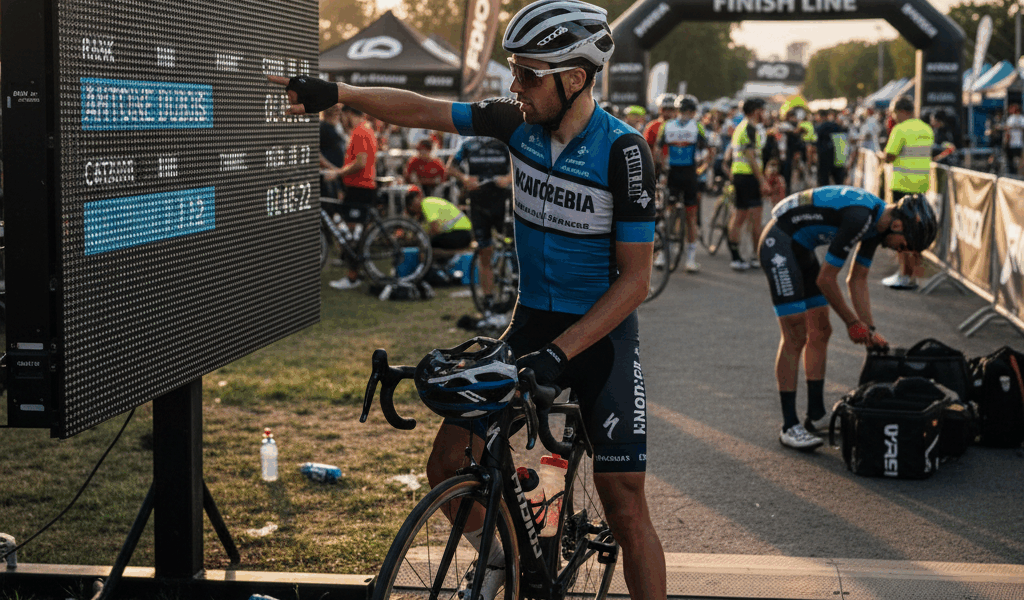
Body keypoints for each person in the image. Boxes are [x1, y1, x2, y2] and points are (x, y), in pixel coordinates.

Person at [269, 1, 667, 598]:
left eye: (529, 75)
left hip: (599, 335)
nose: (516, 86)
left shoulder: (623, 151)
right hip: (531, 320)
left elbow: (635, 282)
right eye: (514, 69)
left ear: (576, 77)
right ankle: (507, 560)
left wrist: (562, 355)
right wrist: (339, 91)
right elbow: (423, 110)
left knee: (625, 504)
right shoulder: (515, 124)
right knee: (449, 459)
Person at [758, 187, 938, 450]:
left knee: (821, 329)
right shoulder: (860, 217)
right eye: (906, 244)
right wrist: (854, 324)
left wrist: (869, 331)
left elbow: (857, 279)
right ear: (898, 224)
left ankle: (816, 415)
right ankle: (789, 426)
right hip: (780, 244)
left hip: (801, 247)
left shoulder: (879, 223)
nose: (902, 251)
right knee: (795, 334)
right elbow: (826, 280)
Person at [446, 135, 514, 315]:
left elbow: (522, 166)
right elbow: (450, 167)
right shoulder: (468, 143)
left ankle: (518, 292)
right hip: (478, 204)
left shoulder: (504, 141)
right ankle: (489, 299)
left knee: (516, 249)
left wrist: (508, 178)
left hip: (504, 203)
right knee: (485, 251)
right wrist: (464, 178)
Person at [878, 96, 934, 291]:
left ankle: (904, 275)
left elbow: (890, 156)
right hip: (921, 187)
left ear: (901, 111)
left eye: (894, 113)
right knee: (917, 233)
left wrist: (883, 155)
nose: (894, 117)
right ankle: (917, 275)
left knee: (901, 232)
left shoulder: (900, 130)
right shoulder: (926, 129)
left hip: (902, 186)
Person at [655, 94, 709, 272]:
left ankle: (664, 255)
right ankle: (690, 259)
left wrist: (663, 168)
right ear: (692, 111)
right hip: (690, 174)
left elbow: (657, 149)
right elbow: (708, 149)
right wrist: (703, 167)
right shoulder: (697, 125)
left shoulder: (667, 125)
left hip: (673, 174)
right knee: (690, 217)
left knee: (668, 213)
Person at [329, 104, 379, 290]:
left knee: (352, 236)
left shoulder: (360, 132)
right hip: (358, 187)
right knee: (354, 235)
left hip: (360, 188)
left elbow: (361, 162)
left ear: (349, 113)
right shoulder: (365, 130)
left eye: (342, 115)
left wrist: (339, 173)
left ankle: (352, 278)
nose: (341, 119)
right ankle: (356, 272)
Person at [727, 98, 768, 270]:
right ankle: (756, 257)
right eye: (762, 110)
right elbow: (751, 156)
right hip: (749, 176)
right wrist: (762, 181)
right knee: (754, 218)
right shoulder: (750, 128)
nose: (764, 114)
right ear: (755, 111)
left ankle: (736, 257)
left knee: (739, 216)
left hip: (739, 174)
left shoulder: (741, 127)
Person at [405, 186, 473, 251]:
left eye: (411, 203)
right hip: (462, 233)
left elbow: (435, 229)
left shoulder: (426, 204)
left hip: (461, 233)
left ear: (419, 197)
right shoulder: (427, 204)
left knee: (428, 244)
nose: (411, 208)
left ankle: (445, 260)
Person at [319, 104, 347, 199]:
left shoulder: (337, 127)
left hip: (337, 174)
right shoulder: (322, 127)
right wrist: (333, 168)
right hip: (329, 175)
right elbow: (317, 153)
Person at [815, 109, 849, 186]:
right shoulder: (837, 126)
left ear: (821, 116)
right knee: (839, 183)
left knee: (824, 183)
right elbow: (843, 142)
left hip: (824, 159)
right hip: (838, 158)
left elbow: (816, 143)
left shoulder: (820, 128)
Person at [1004, 104, 1024, 175]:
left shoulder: (1013, 119)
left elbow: (1007, 132)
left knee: (1015, 161)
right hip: (1016, 144)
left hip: (1016, 144)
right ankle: (1015, 173)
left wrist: (1006, 142)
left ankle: (1015, 173)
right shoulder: (1016, 119)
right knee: (1015, 160)